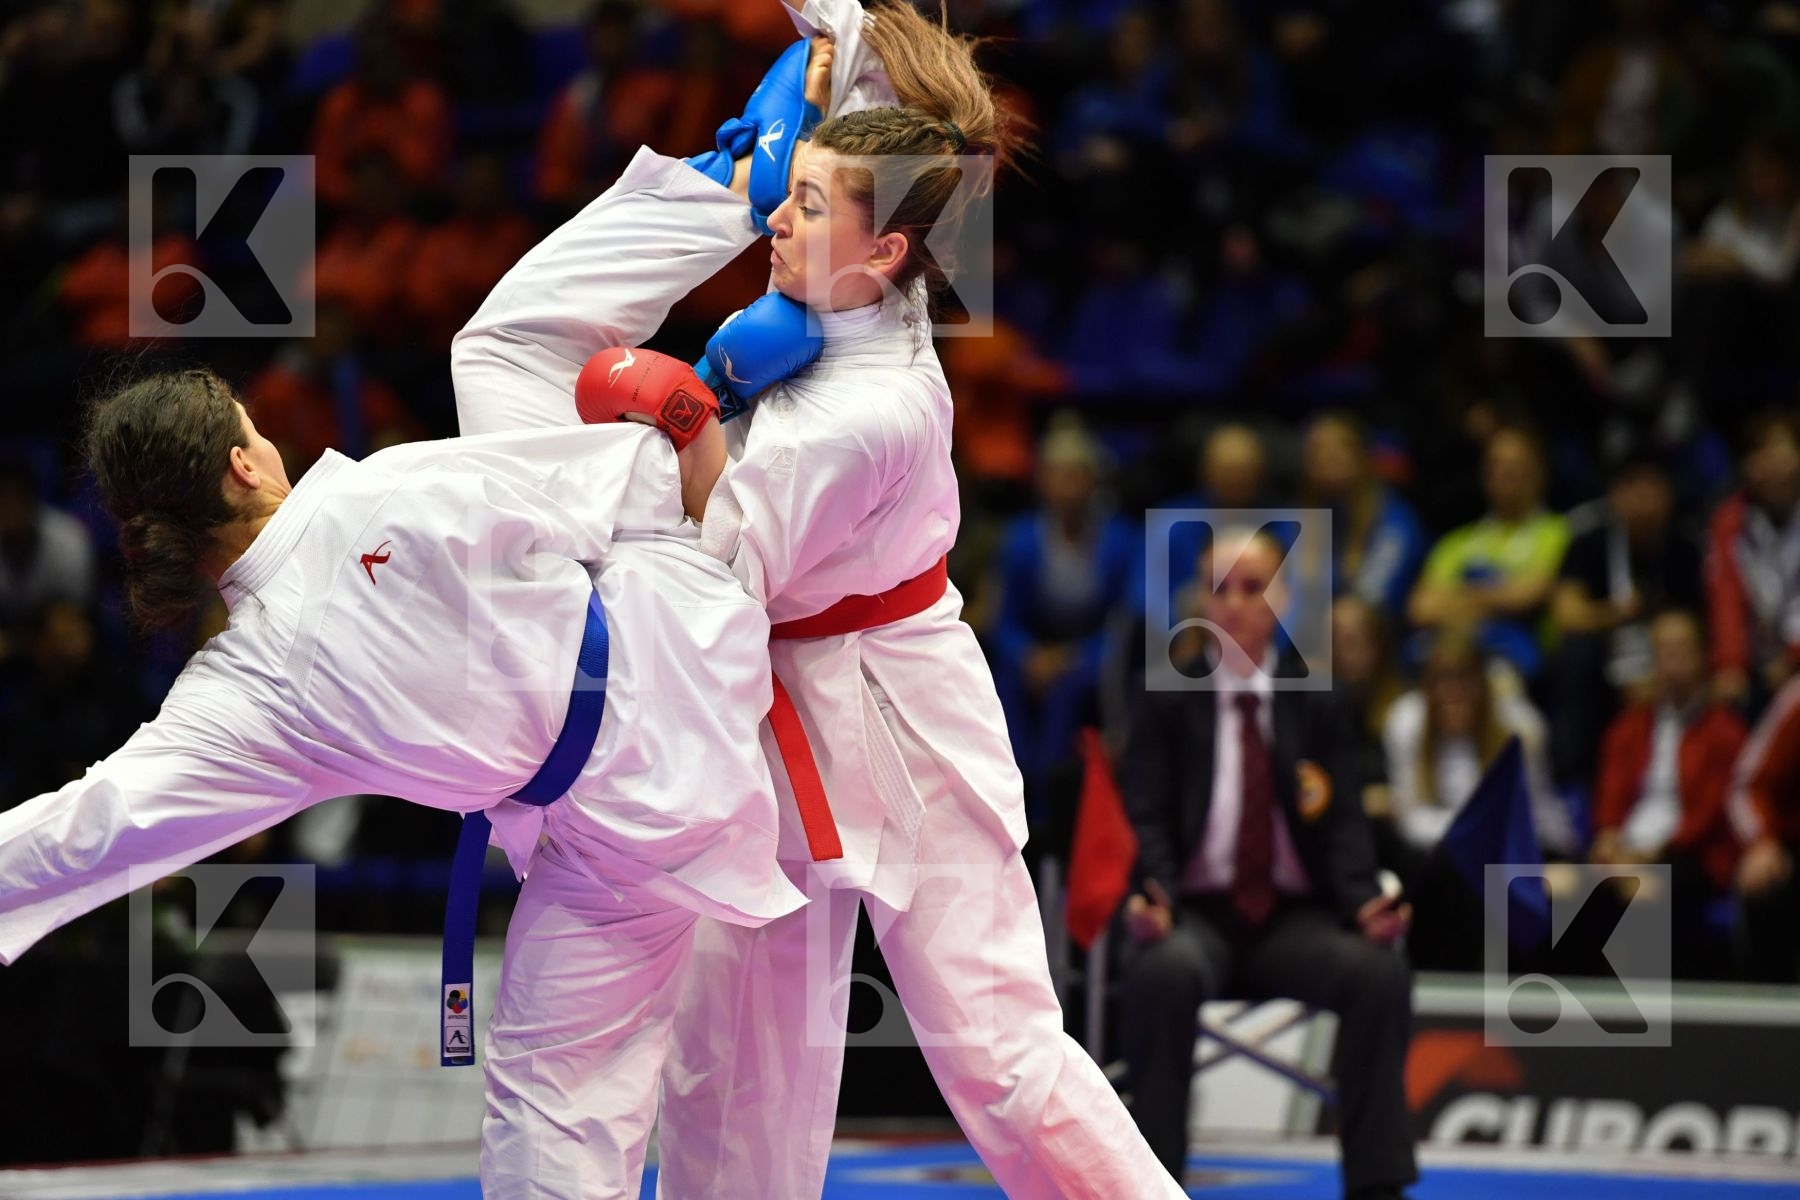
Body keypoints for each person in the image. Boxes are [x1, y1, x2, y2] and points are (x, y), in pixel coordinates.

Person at [452, 4, 1188, 1195]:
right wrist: (832, 36)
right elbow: (858, 41)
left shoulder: (865, 408)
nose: (776, 221)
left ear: (882, 252)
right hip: (763, 714)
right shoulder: (871, 226)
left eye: (798, 205)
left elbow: (705, 574)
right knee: (733, 1075)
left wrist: (685, 421)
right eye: (784, 194)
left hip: (898, 715)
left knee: (997, 1055)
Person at [0, 364, 805, 1200]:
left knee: (556, 1107)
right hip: (704, 650)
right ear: (244, 464)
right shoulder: (385, 485)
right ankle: (813, 279)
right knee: (505, 348)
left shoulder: (247, 689)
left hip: (628, 833)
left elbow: (89, 826)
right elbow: (654, 480)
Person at [1116, 529, 1418, 1200]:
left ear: (1282, 598)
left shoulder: (1319, 700)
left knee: (1375, 971)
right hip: (1195, 915)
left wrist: (1364, 902)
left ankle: (1379, 1186)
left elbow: (1342, 825)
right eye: (1217, 588)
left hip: (1292, 920)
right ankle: (1150, 1185)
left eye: (1251, 587)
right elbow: (1145, 817)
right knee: (1161, 970)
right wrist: (1154, 897)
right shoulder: (1165, 698)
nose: (1232, 604)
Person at [1591, 610, 1746, 978]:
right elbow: (1611, 792)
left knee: (1640, 889)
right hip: (1630, 849)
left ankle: (1643, 1016)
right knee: (1558, 887)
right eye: (1665, 650)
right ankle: (1568, 1013)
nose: (1673, 660)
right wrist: (1610, 836)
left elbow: (1710, 813)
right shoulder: (1628, 727)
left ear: (1703, 656)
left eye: (1683, 649)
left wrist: (1650, 854)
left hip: (1695, 856)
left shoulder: (1725, 731)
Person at [1407, 424, 1570, 680]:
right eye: (1496, 464)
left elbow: (1528, 596)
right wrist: (1498, 597)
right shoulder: (1457, 541)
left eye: (1516, 465)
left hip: (1522, 672)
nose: (1505, 472)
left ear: (1539, 472)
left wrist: (1458, 596)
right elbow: (1421, 607)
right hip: (1450, 665)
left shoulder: (1558, 533)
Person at [1705, 409, 1800, 713]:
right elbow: (1726, 599)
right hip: (1763, 665)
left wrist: (1793, 657)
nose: (1769, 464)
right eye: (1758, 454)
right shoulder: (1729, 522)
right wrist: (1731, 665)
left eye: (1778, 450)